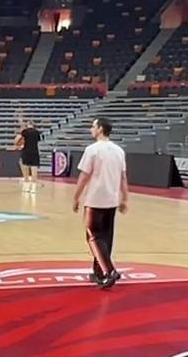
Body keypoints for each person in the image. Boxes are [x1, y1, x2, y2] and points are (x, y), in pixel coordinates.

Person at [72, 117, 129, 290]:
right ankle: (99, 273)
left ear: (100, 129)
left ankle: (109, 271)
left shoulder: (92, 150)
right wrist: (125, 198)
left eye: (93, 126)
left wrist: (76, 197)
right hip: (111, 200)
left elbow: (84, 176)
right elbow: (123, 177)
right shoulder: (119, 151)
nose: (91, 129)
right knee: (106, 237)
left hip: (95, 199)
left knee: (93, 237)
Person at [16, 120, 41, 193]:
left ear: (27, 125)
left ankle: (26, 187)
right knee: (34, 170)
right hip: (34, 152)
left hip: (26, 152)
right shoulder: (37, 132)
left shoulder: (25, 131)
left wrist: (18, 144)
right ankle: (33, 188)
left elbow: (17, 140)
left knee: (26, 169)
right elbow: (38, 141)